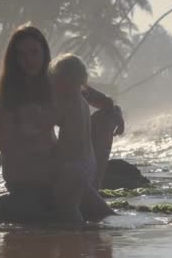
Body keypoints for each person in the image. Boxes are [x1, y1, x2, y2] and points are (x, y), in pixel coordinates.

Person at [0, 25, 124, 216]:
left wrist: (115, 112)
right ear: (14, 59)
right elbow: (6, 147)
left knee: (104, 119)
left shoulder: (56, 81)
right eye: (21, 55)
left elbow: (100, 100)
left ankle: (88, 193)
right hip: (25, 168)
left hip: (59, 163)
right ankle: (106, 218)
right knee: (73, 180)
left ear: (43, 52)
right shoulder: (10, 93)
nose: (29, 60)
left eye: (34, 52)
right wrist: (48, 156)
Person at [48, 53, 114, 223]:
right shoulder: (82, 101)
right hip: (88, 163)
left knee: (68, 205)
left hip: (72, 164)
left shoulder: (67, 103)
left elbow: (50, 120)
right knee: (76, 201)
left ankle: (76, 232)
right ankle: (94, 225)